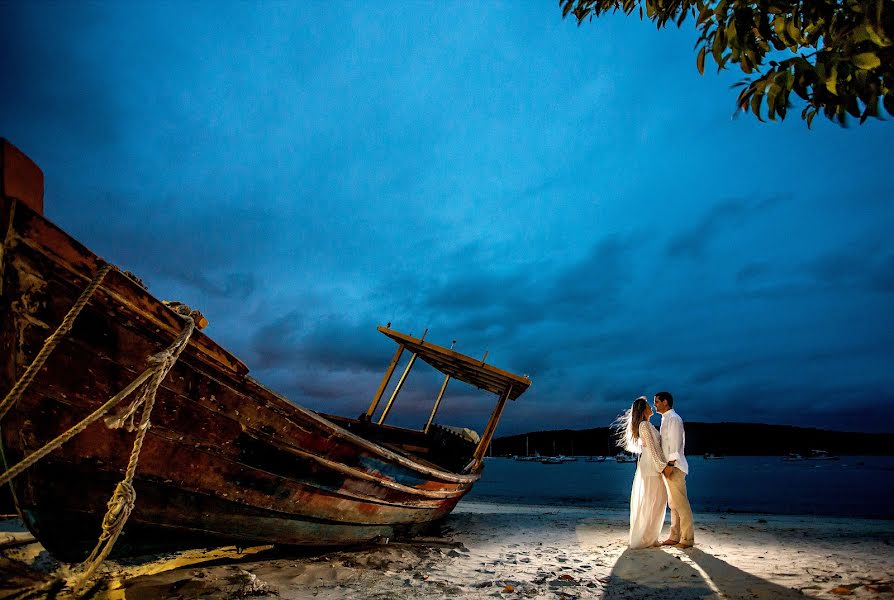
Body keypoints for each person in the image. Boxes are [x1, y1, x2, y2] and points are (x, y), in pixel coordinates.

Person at [616, 396, 668, 549]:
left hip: (652, 466)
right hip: (651, 467)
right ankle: (645, 538)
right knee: (652, 501)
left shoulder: (647, 425)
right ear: (643, 410)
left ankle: (650, 537)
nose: (651, 407)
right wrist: (662, 466)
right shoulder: (644, 425)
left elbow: (655, 448)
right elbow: (652, 449)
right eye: (648, 405)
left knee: (655, 501)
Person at [654, 391, 694, 548]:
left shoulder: (674, 419)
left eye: (657, 401)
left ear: (665, 402)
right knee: (674, 504)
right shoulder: (665, 419)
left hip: (675, 466)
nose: (655, 404)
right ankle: (674, 536)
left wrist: (670, 465)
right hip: (668, 466)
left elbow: (676, 444)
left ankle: (687, 539)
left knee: (681, 504)